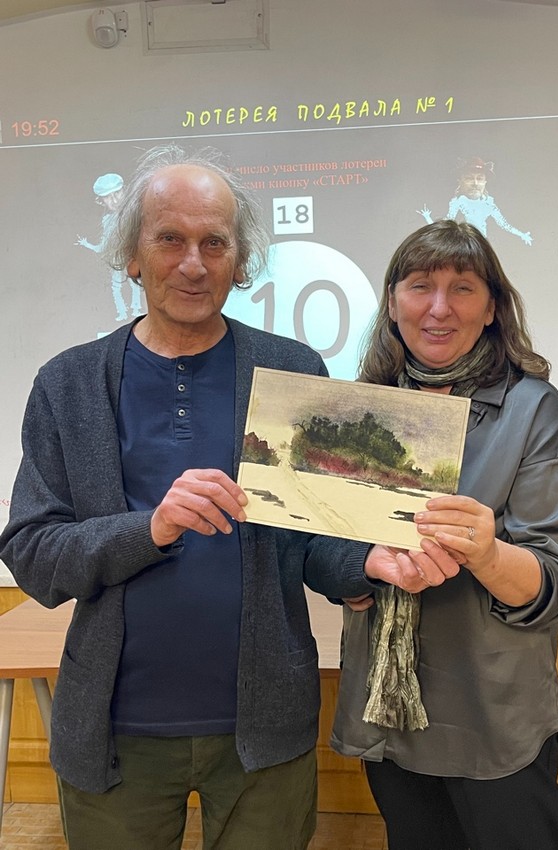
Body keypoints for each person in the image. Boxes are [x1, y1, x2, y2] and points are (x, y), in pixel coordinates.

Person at [0, 144, 337, 850]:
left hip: (264, 729)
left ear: (240, 261)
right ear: (131, 256)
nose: (193, 263)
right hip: (115, 730)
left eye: (214, 242)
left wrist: (371, 569)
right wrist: (147, 528)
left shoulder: (292, 371)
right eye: (170, 239)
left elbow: (317, 537)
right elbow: (32, 554)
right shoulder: (68, 384)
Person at [304, 220, 558, 850]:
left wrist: (487, 554)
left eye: (462, 288)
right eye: (420, 286)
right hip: (388, 716)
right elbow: (318, 552)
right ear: (391, 302)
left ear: (491, 308)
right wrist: (366, 565)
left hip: (493, 721)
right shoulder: (361, 406)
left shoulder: (534, 410)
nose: (439, 308)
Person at [76, 172, 144, 322]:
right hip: (116, 261)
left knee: (135, 283)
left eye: (117, 193)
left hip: (134, 258)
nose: (114, 200)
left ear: (124, 190)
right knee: (117, 286)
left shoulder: (140, 215)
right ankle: (122, 313)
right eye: (108, 197)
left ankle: (136, 309)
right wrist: (87, 245)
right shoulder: (108, 221)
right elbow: (105, 245)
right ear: (101, 201)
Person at [418, 156, 533, 245]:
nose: (475, 183)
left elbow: (504, 225)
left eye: (480, 178)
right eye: (469, 178)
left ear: (485, 182)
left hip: (482, 246)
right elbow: (445, 225)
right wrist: (428, 217)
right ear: (460, 181)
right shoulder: (459, 202)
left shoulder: (489, 204)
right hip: (464, 246)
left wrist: (522, 235)